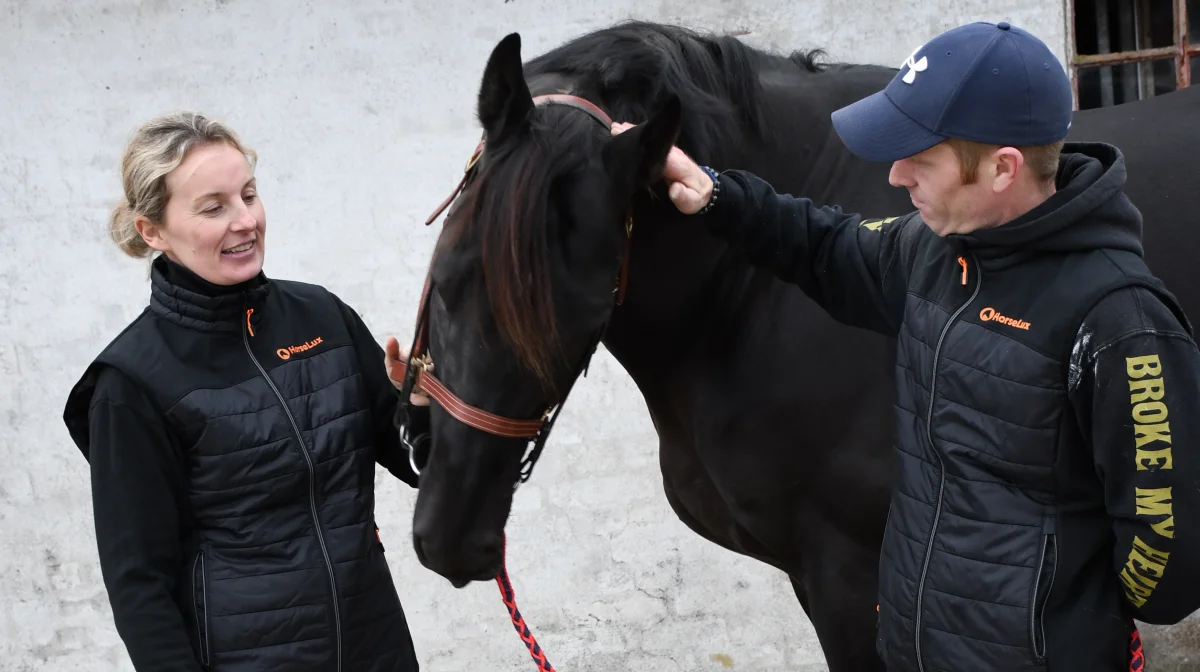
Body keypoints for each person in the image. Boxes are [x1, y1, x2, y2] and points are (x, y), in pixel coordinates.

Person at [613, 20, 1200, 672]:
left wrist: (1069, 620)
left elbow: (1168, 549)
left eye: (919, 159)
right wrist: (718, 197)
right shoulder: (934, 251)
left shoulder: (1118, 319)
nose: (895, 176)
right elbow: (831, 249)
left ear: (1003, 169)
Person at [62, 112, 429, 672]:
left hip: (375, 647)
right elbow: (140, 584)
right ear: (152, 231)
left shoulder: (323, 317)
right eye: (214, 207)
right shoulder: (130, 383)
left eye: (249, 195)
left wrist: (426, 408)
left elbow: (422, 465)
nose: (245, 221)